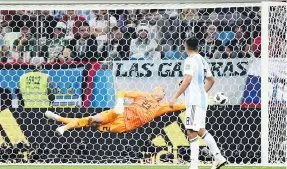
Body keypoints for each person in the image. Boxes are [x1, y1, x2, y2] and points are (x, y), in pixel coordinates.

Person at [169, 37, 226, 169]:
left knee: (190, 131)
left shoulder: (189, 60)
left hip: (195, 101)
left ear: (185, 47)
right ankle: (218, 157)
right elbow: (211, 81)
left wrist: (175, 97)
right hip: (200, 99)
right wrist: (202, 93)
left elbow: (188, 79)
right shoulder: (202, 60)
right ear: (198, 48)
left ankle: (194, 166)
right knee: (199, 129)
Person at [45, 87, 185, 135]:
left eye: (165, 92)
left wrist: (199, 101)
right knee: (92, 119)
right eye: (162, 90)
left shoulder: (161, 106)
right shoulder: (143, 94)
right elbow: (122, 92)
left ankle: (60, 120)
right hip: (119, 112)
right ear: (155, 90)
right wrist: (119, 102)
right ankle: (63, 127)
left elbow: (180, 106)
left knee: (90, 124)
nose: (164, 92)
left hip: (123, 126)